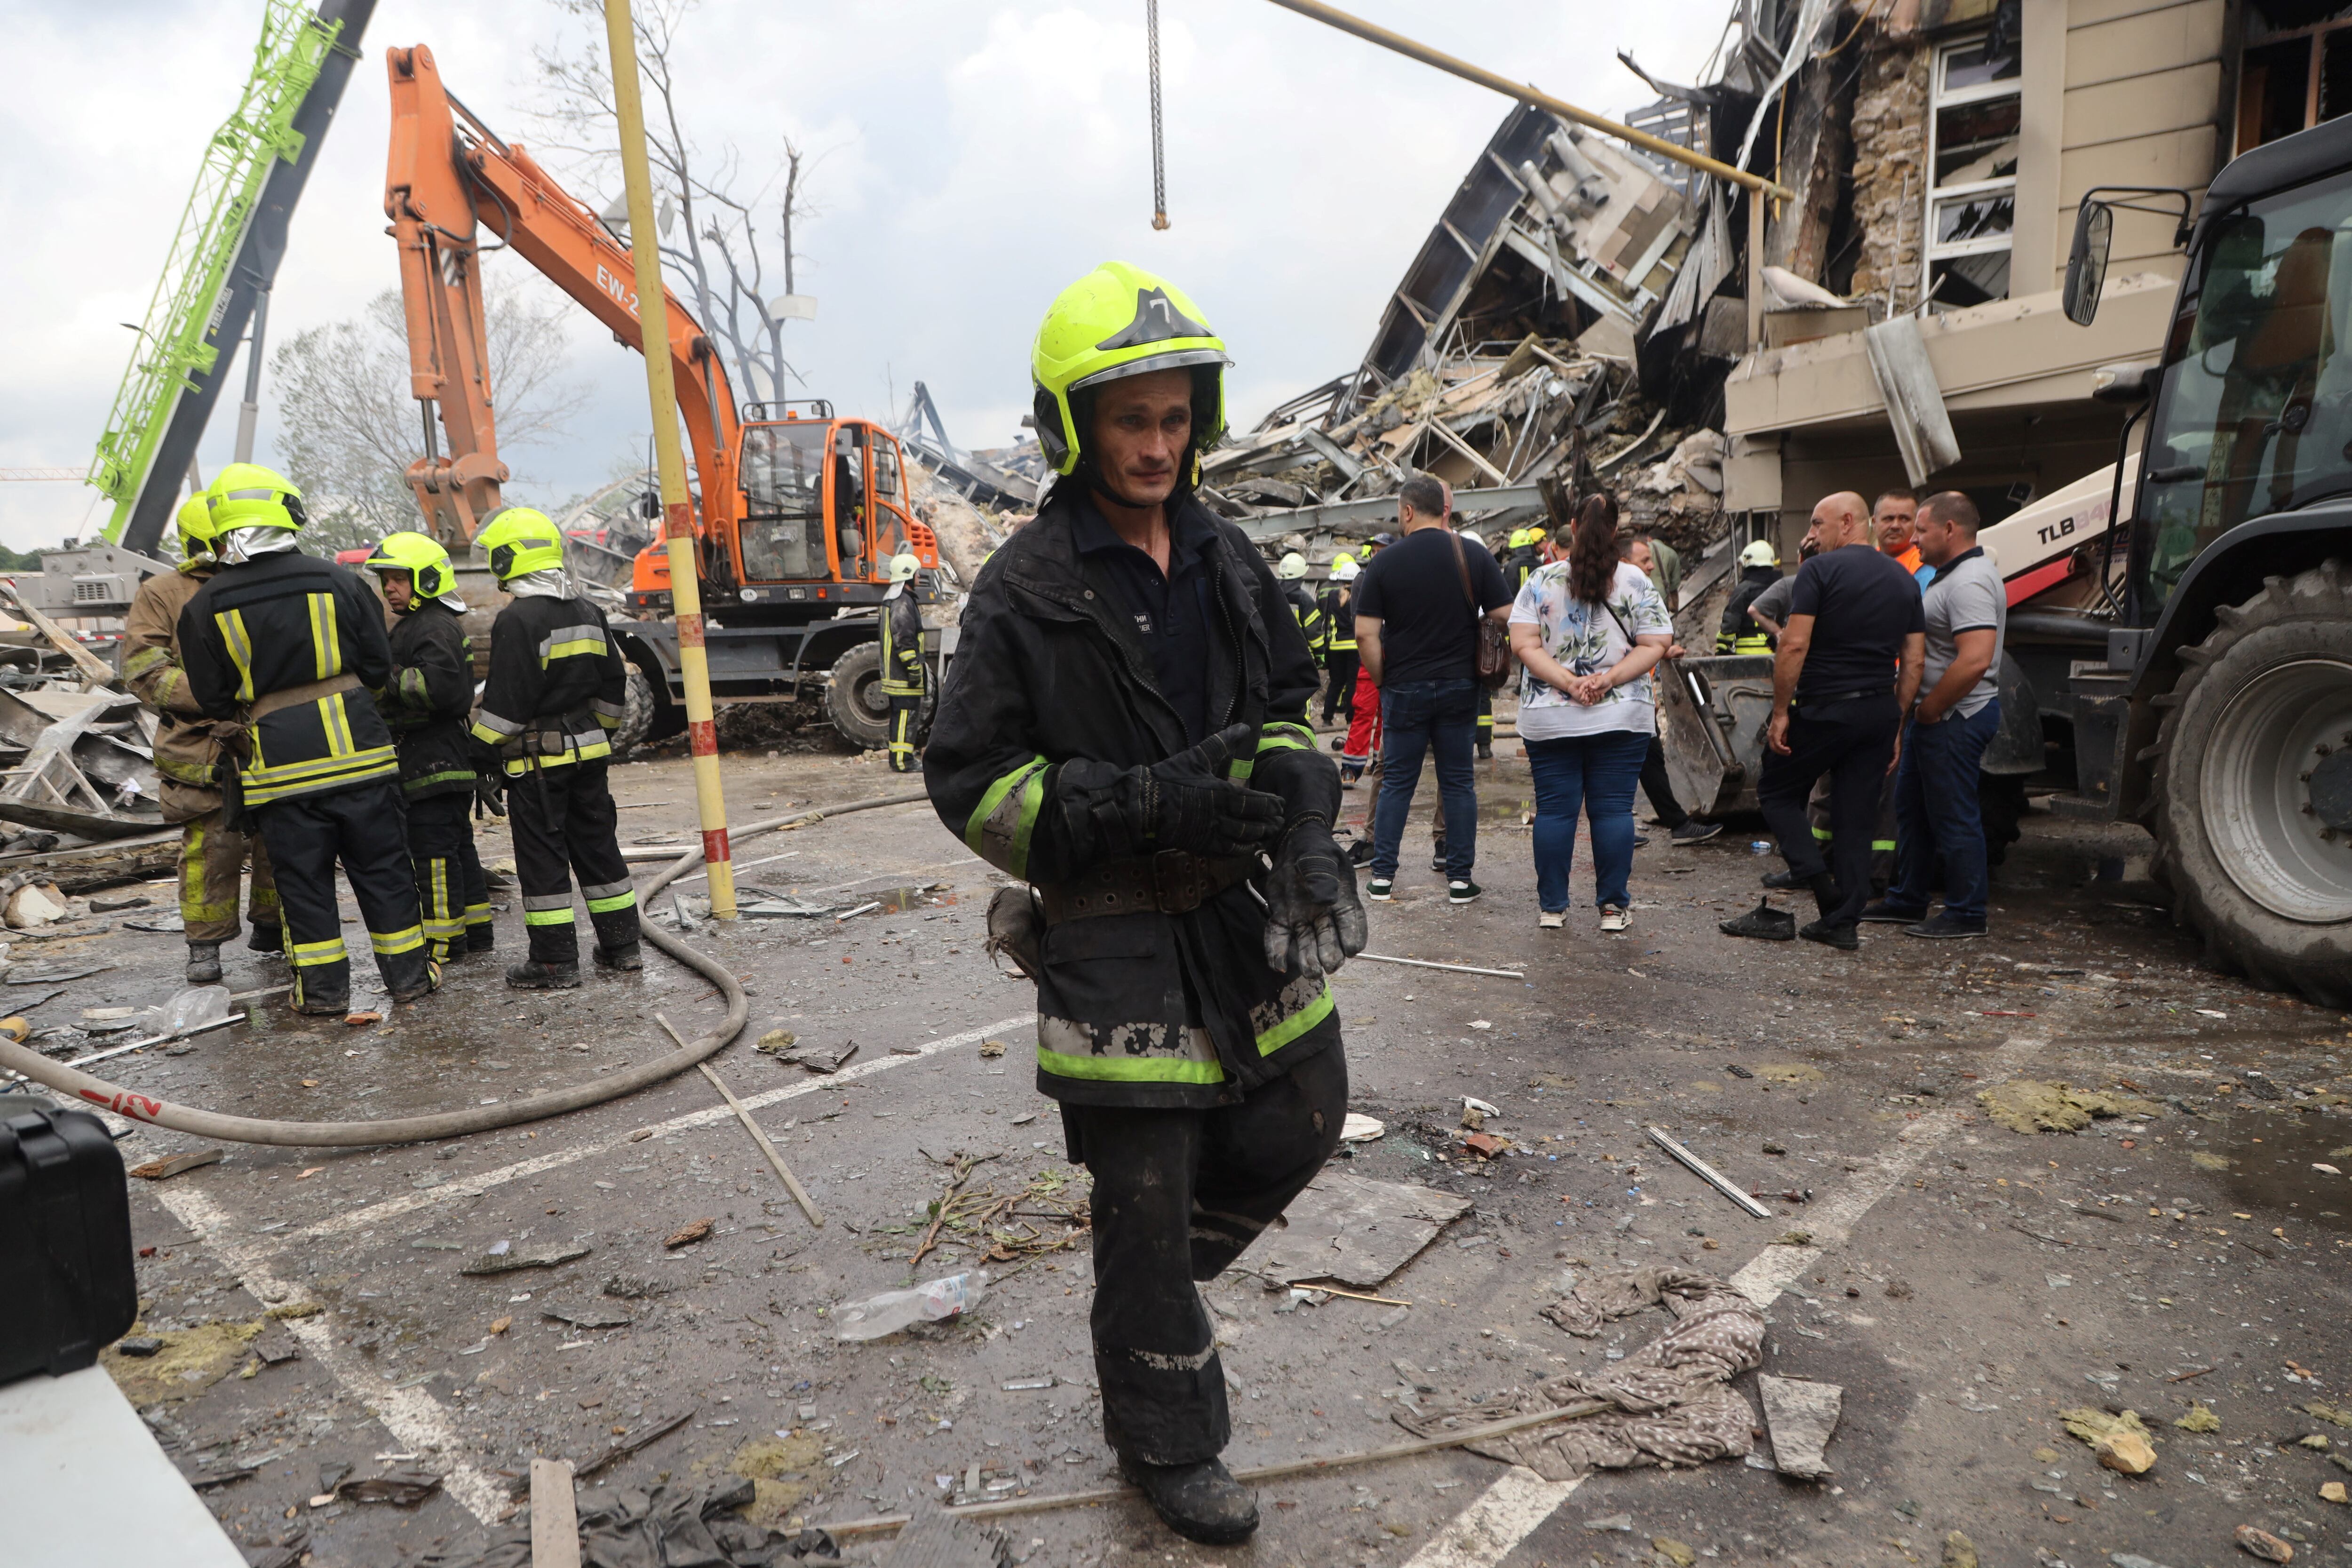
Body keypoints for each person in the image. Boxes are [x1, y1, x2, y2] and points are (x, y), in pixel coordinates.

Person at [922, 260, 1365, 1547]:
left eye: (1177, 419)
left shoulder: (1228, 556)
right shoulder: (1027, 587)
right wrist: (1126, 806)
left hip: (1240, 908)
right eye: (1132, 421)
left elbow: (1287, 712)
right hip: (1112, 927)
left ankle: (1144, 1300)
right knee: (1147, 1194)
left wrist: (1316, 842)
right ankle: (1170, 1437)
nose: (1159, 446)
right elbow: (971, 783)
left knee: (1305, 1113)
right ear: (1076, 425)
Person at [176, 465, 433, 1014]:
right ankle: (410, 980)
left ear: (225, 528)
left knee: (304, 887)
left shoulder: (204, 605)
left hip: (280, 771)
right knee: (386, 873)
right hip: (361, 756)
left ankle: (322, 996)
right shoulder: (339, 580)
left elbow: (212, 698)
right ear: (288, 514)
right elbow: (377, 665)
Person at [1721, 490, 1924, 950]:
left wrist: (1778, 712)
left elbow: (1792, 646)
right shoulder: (1902, 580)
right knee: (1856, 816)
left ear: (1847, 522)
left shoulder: (1818, 571)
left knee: (1775, 791)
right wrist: (1895, 722)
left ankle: (1822, 889)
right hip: (1876, 710)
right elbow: (1913, 663)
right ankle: (1843, 922)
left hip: (1826, 708)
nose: (1810, 535)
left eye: (1816, 524)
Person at [468, 508, 641, 988]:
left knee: (543, 860)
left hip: (538, 767)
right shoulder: (589, 610)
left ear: (510, 559)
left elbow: (506, 706)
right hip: (589, 758)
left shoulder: (517, 620)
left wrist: (478, 752)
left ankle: (554, 962)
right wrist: (596, 735)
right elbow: (613, 690)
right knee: (599, 850)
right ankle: (623, 948)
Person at [123, 493, 280, 983]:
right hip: (200, 745)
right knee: (212, 848)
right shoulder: (163, 593)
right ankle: (205, 945)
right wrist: (216, 698)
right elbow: (144, 669)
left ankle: (273, 926)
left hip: (266, 738)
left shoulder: (262, 582)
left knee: (281, 837)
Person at [1510, 493, 1673, 931]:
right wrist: (1608, 679)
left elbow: (1523, 644)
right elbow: (1656, 643)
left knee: (1556, 812)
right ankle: (1613, 909)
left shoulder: (1541, 580)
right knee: (1614, 810)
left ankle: (1552, 908)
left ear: (1573, 526)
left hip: (1550, 716)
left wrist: (1567, 682)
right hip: (1620, 714)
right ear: (1616, 530)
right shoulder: (1636, 581)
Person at [1353, 475, 1511, 902]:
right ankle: (1460, 880)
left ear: (1407, 511)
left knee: (1397, 783)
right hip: (1461, 685)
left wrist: (1384, 676)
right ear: (1442, 509)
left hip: (1404, 686)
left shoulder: (1384, 563)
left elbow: (1366, 633)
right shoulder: (1472, 553)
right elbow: (1505, 615)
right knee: (1458, 783)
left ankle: (1383, 876)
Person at [1863, 491, 2006, 938]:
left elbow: (1975, 659)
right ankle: (1908, 899)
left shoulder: (1970, 582)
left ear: (1950, 530)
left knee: (1954, 815)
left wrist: (1929, 710)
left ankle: (1967, 913)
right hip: (1936, 719)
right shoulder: (1950, 576)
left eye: (1922, 529)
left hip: (1954, 718)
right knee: (1914, 811)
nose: (1913, 537)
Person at [364, 532, 493, 965]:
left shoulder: (431, 625)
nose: (389, 588)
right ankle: (476, 932)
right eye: (386, 580)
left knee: (433, 856)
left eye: (399, 578)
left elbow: (436, 688)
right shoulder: (422, 624)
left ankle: (443, 944)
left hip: (430, 763)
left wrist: (380, 676)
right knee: (458, 849)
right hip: (443, 760)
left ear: (427, 580)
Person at [1619, 534, 1721, 845]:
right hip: (1625, 697)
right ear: (1624, 563)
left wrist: (1661, 653)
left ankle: (1628, 827)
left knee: (1640, 760)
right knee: (1637, 759)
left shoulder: (1631, 592)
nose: (1652, 566)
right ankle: (1673, 823)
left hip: (1634, 695)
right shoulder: (1622, 595)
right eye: (1645, 561)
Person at [880, 550, 927, 773]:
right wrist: (914, 668)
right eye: (917, 574)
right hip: (902, 676)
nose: (920, 578)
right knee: (906, 716)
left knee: (901, 717)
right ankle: (903, 761)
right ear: (908, 576)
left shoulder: (895, 600)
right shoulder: (902, 603)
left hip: (896, 674)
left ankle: (900, 758)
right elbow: (904, 640)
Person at [1716, 540, 1780, 653]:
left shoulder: (1743, 590)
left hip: (1747, 658)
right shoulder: (1781, 587)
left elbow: (1731, 623)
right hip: (1776, 654)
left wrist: (1722, 648)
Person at [1319, 554, 1359, 731]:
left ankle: (1327, 718)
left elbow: (1326, 621)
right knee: (1353, 683)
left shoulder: (1332, 595)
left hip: (1335, 647)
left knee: (1336, 683)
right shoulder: (1360, 595)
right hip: (1354, 647)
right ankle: (1351, 719)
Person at [1274, 551, 1327, 664]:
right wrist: (1320, 653)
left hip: (1275, 656)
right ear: (1301, 575)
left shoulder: (1271, 595)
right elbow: (1313, 631)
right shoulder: (1304, 600)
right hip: (1300, 657)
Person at [1873, 487, 1933, 587]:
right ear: (1874, 523)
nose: (1895, 526)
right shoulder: (1866, 561)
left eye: (1904, 519)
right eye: (1889, 519)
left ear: (1917, 523)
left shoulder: (1924, 569)